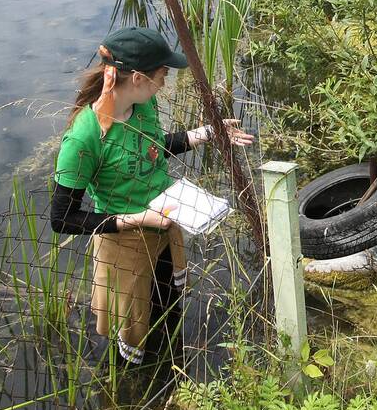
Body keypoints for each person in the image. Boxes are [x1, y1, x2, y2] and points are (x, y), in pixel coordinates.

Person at [50, 26, 253, 365]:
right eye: (163, 73)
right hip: (124, 245)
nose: (166, 80)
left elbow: (152, 150)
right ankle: (133, 392)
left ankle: (169, 373)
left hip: (163, 231)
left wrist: (208, 133)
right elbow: (62, 218)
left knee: (166, 315)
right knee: (132, 333)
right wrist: (137, 219)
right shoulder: (84, 139)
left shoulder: (144, 107)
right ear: (140, 78)